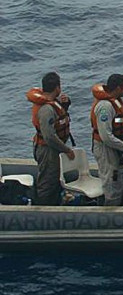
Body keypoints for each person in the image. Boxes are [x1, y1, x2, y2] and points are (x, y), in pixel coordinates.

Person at [90, 74, 123, 206]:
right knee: (111, 181)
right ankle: (109, 212)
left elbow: (121, 124)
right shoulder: (105, 107)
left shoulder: (117, 102)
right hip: (105, 148)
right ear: (118, 88)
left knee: (116, 179)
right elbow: (106, 136)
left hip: (115, 147)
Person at [26, 72, 76, 205]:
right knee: (47, 183)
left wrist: (64, 107)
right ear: (57, 88)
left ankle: (54, 204)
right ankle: (43, 210)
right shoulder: (46, 109)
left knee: (54, 180)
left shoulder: (53, 103)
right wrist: (67, 150)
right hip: (47, 150)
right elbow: (49, 137)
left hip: (53, 149)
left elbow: (58, 120)